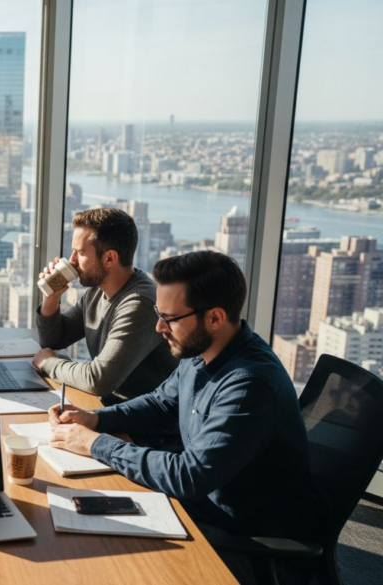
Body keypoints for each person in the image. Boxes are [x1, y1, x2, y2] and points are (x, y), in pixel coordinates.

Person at [46, 250, 323, 545]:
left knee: (93, 543)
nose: (159, 328)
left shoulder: (249, 386)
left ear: (215, 318)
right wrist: (96, 418)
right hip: (203, 497)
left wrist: (95, 443)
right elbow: (161, 402)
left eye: (169, 319)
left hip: (244, 524)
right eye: (158, 315)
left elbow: (188, 476)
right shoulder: (201, 347)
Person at [32, 208, 177, 404]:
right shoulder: (97, 291)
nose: (72, 261)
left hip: (140, 425)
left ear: (109, 258)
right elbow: (54, 340)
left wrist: (48, 363)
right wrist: (51, 297)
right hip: (110, 408)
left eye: (80, 253)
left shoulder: (140, 303)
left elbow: (98, 379)